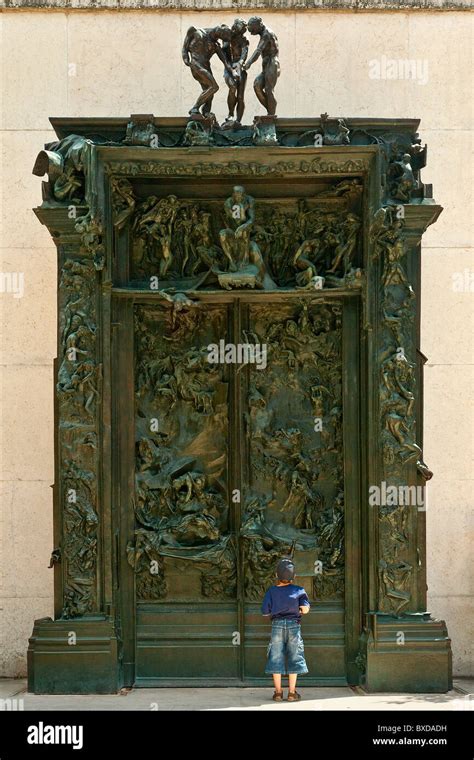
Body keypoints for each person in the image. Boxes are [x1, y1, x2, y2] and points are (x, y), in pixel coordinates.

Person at [261, 558, 310, 702]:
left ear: (276, 575)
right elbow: (305, 609)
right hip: (294, 625)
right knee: (294, 656)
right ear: (294, 577)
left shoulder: (272, 591)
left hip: (277, 625)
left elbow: (265, 612)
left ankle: (277, 692)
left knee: (276, 656)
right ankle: (292, 693)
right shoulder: (299, 590)